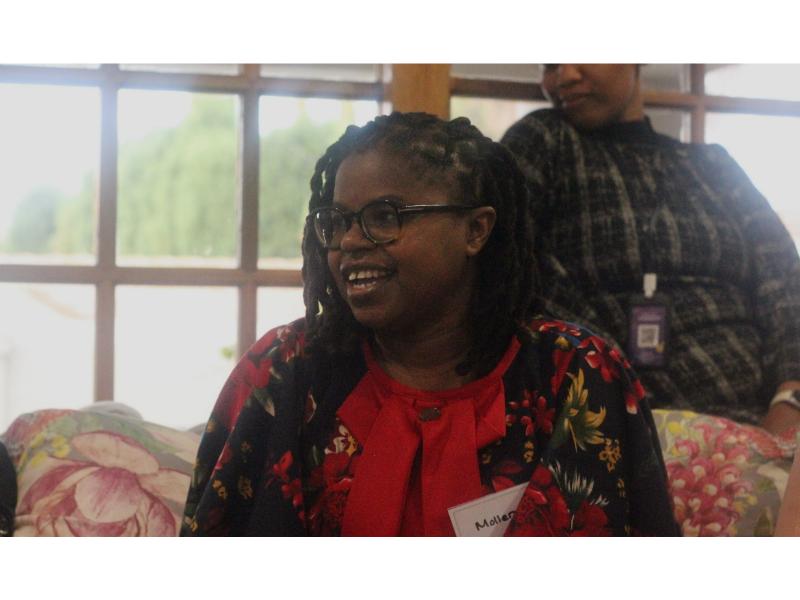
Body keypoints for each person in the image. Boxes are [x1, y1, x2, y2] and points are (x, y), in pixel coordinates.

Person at [181, 112, 678, 536]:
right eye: (337, 221)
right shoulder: (286, 369)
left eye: (384, 216)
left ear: (476, 230)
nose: (349, 242)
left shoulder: (574, 374)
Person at [502, 64, 800, 435]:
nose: (564, 77)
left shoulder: (714, 166)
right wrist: (620, 386)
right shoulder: (547, 142)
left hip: (764, 422)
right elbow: (508, 266)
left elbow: (785, 281)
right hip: (620, 425)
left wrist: (790, 399)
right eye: (549, 65)